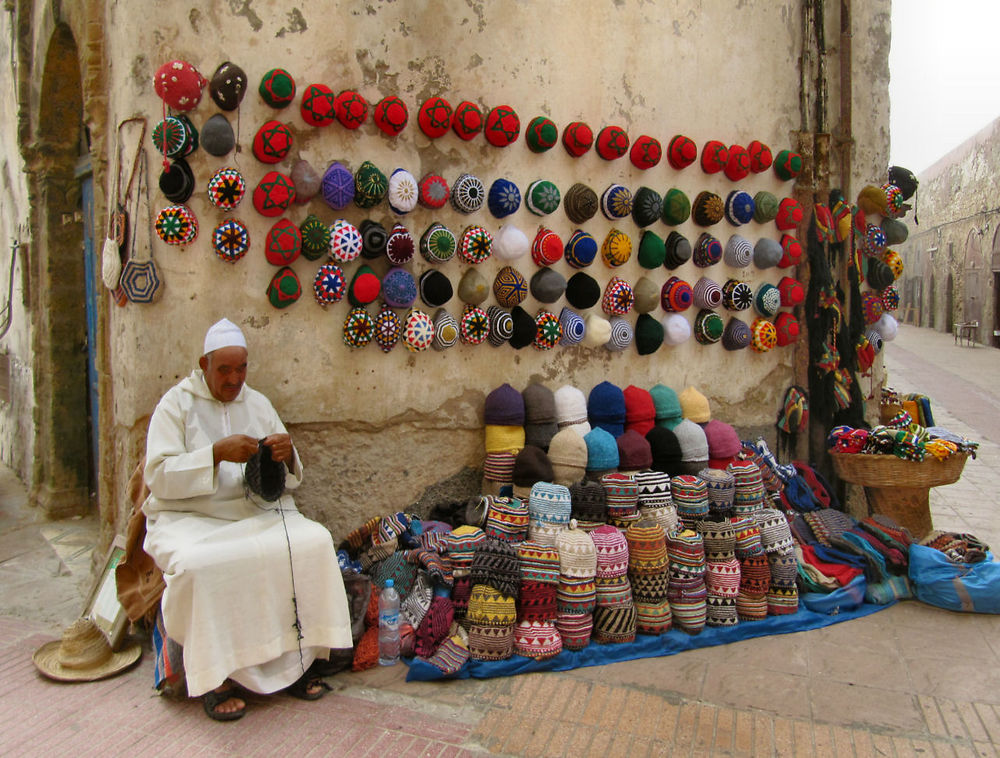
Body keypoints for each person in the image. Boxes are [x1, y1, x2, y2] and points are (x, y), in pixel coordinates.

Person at [142, 318, 353, 721]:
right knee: (199, 566)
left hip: (256, 514)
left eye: (241, 369)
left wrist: (286, 453)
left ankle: (299, 664)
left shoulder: (257, 403)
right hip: (190, 519)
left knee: (314, 542)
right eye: (224, 370)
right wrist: (214, 454)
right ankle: (216, 677)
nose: (235, 379)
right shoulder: (176, 405)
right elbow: (157, 477)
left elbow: (289, 474)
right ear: (203, 364)